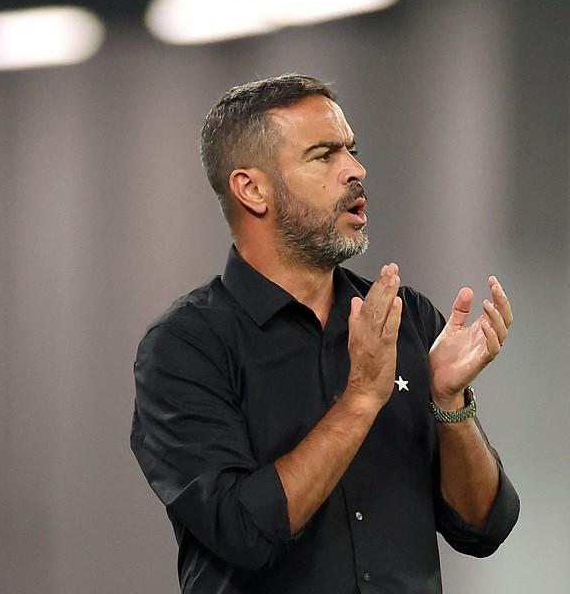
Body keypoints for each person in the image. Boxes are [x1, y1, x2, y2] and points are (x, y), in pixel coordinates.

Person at [130, 74, 519, 593]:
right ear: (252, 189)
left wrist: (450, 405)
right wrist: (360, 399)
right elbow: (243, 530)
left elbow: (483, 527)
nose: (355, 171)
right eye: (323, 155)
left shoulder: (405, 318)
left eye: (351, 151)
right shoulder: (186, 348)